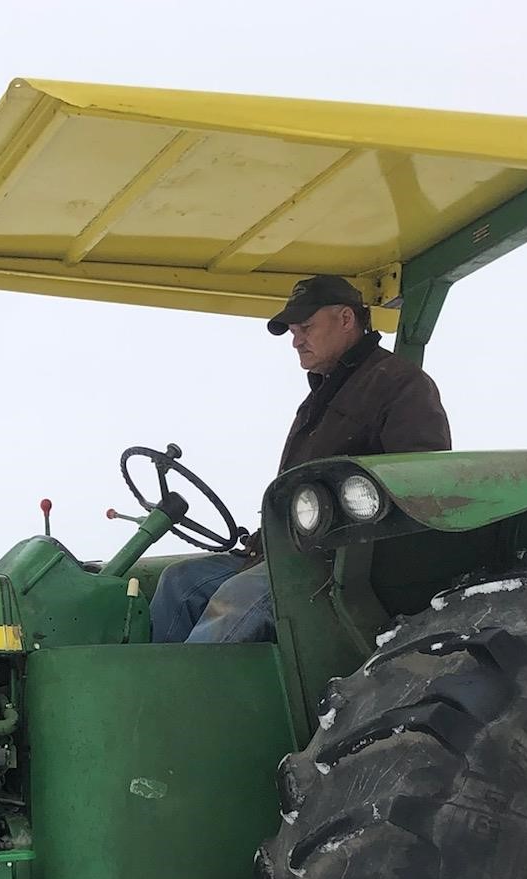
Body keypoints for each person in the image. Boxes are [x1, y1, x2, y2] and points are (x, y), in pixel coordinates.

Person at [150, 275, 451, 643]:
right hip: (285, 553)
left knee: (237, 598)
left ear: (345, 319)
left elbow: (421, 482)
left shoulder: (400, 384)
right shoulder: (322, 395)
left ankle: (187, 697)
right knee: (178, 583)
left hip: (340, 563)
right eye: (293, 331)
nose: (296, 341)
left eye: (306, 328)